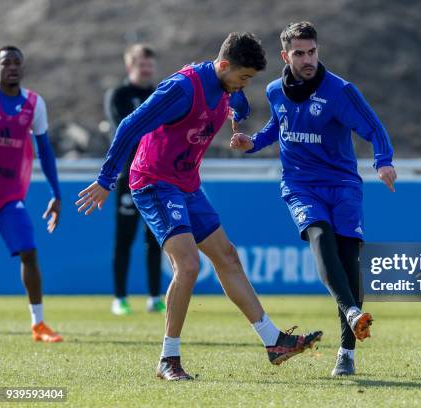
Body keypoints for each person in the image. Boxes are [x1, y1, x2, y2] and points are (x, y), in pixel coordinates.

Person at [76, 32, 322, 381]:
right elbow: (130, 125)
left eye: (249, 80)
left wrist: (240, 109)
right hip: (154, 182)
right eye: (243, 78)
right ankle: (168, 359)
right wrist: (105, 179)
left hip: (187, 184)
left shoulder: (226, 85)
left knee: (227, 256)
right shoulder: (182, 89)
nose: (244, 85)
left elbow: (238, 103)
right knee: (188, 266)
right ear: (223, 65)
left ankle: (274, 342)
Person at [230, 22, 397, 376]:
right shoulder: (276, 91)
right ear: (285, 56)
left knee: (349, 262)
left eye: (312, 52)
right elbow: (277, 127)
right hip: (301, 185)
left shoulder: (340, 91)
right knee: (319, 234)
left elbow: (374, 127)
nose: (308, 59)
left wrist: (383, 162)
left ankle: (347, 352)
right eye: (299, 53)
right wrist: (253, 143)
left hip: (342, 185)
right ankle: (352, 313)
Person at [0, 46, 63, 342]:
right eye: (5, 62)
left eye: (16, 62)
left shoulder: (34, 104)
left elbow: (45, 150)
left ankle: (38, 324)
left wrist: (56, 192)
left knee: (29, 251)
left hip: (10, 196)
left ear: (23, 68)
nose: (11, 67)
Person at [104, 44, 164, 315]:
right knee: (124, 238)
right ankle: (120, 297)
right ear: (131, 66)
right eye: (142, 65)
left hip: (158, 176)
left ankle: (154, 297)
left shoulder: (160, 93)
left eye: (150, 65)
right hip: (129, 175)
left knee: (155, 239)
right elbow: (125, 130)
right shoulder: (119, 94)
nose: (147, 69)